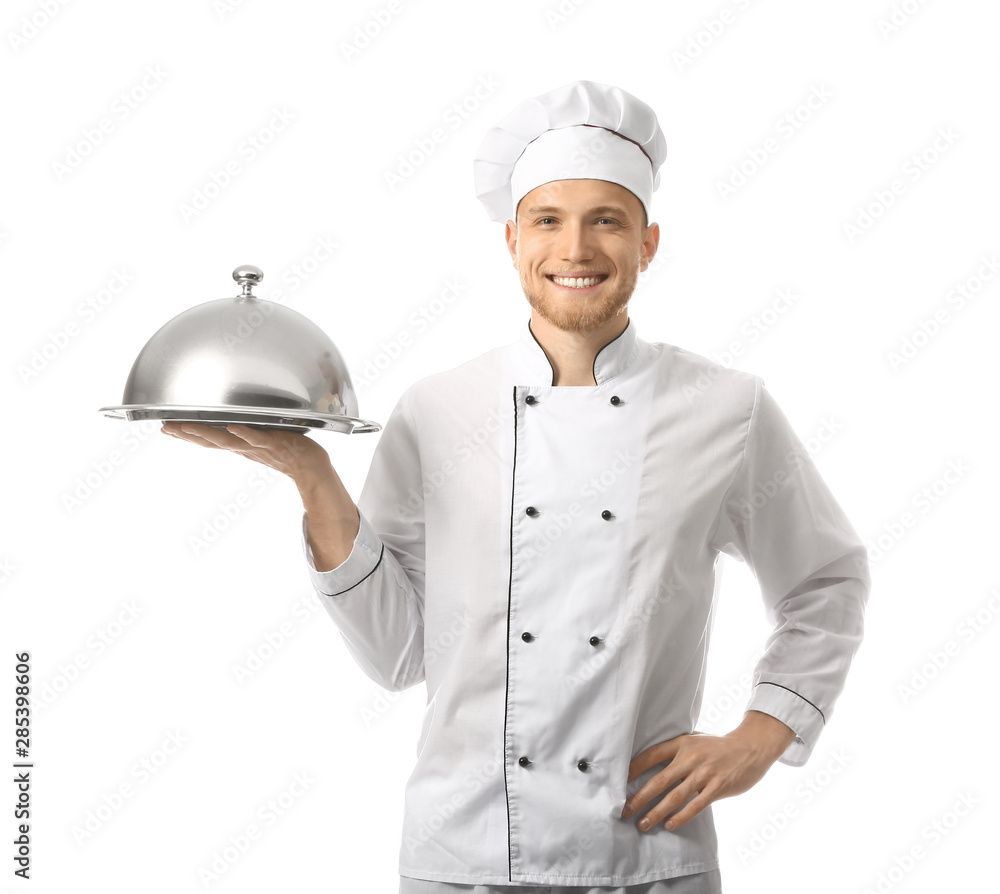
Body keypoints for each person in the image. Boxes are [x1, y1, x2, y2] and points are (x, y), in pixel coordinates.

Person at [161, 81, 871, 894]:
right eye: (548, 220)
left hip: (644, 856)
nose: (576, 248)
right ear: (511, 241)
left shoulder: (725, 408)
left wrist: (764, 731)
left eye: (607, 219)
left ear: (648, 243)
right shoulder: (438, 408)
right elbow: (398, 655)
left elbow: (826, 580)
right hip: (461, 857)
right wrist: (312, 475)